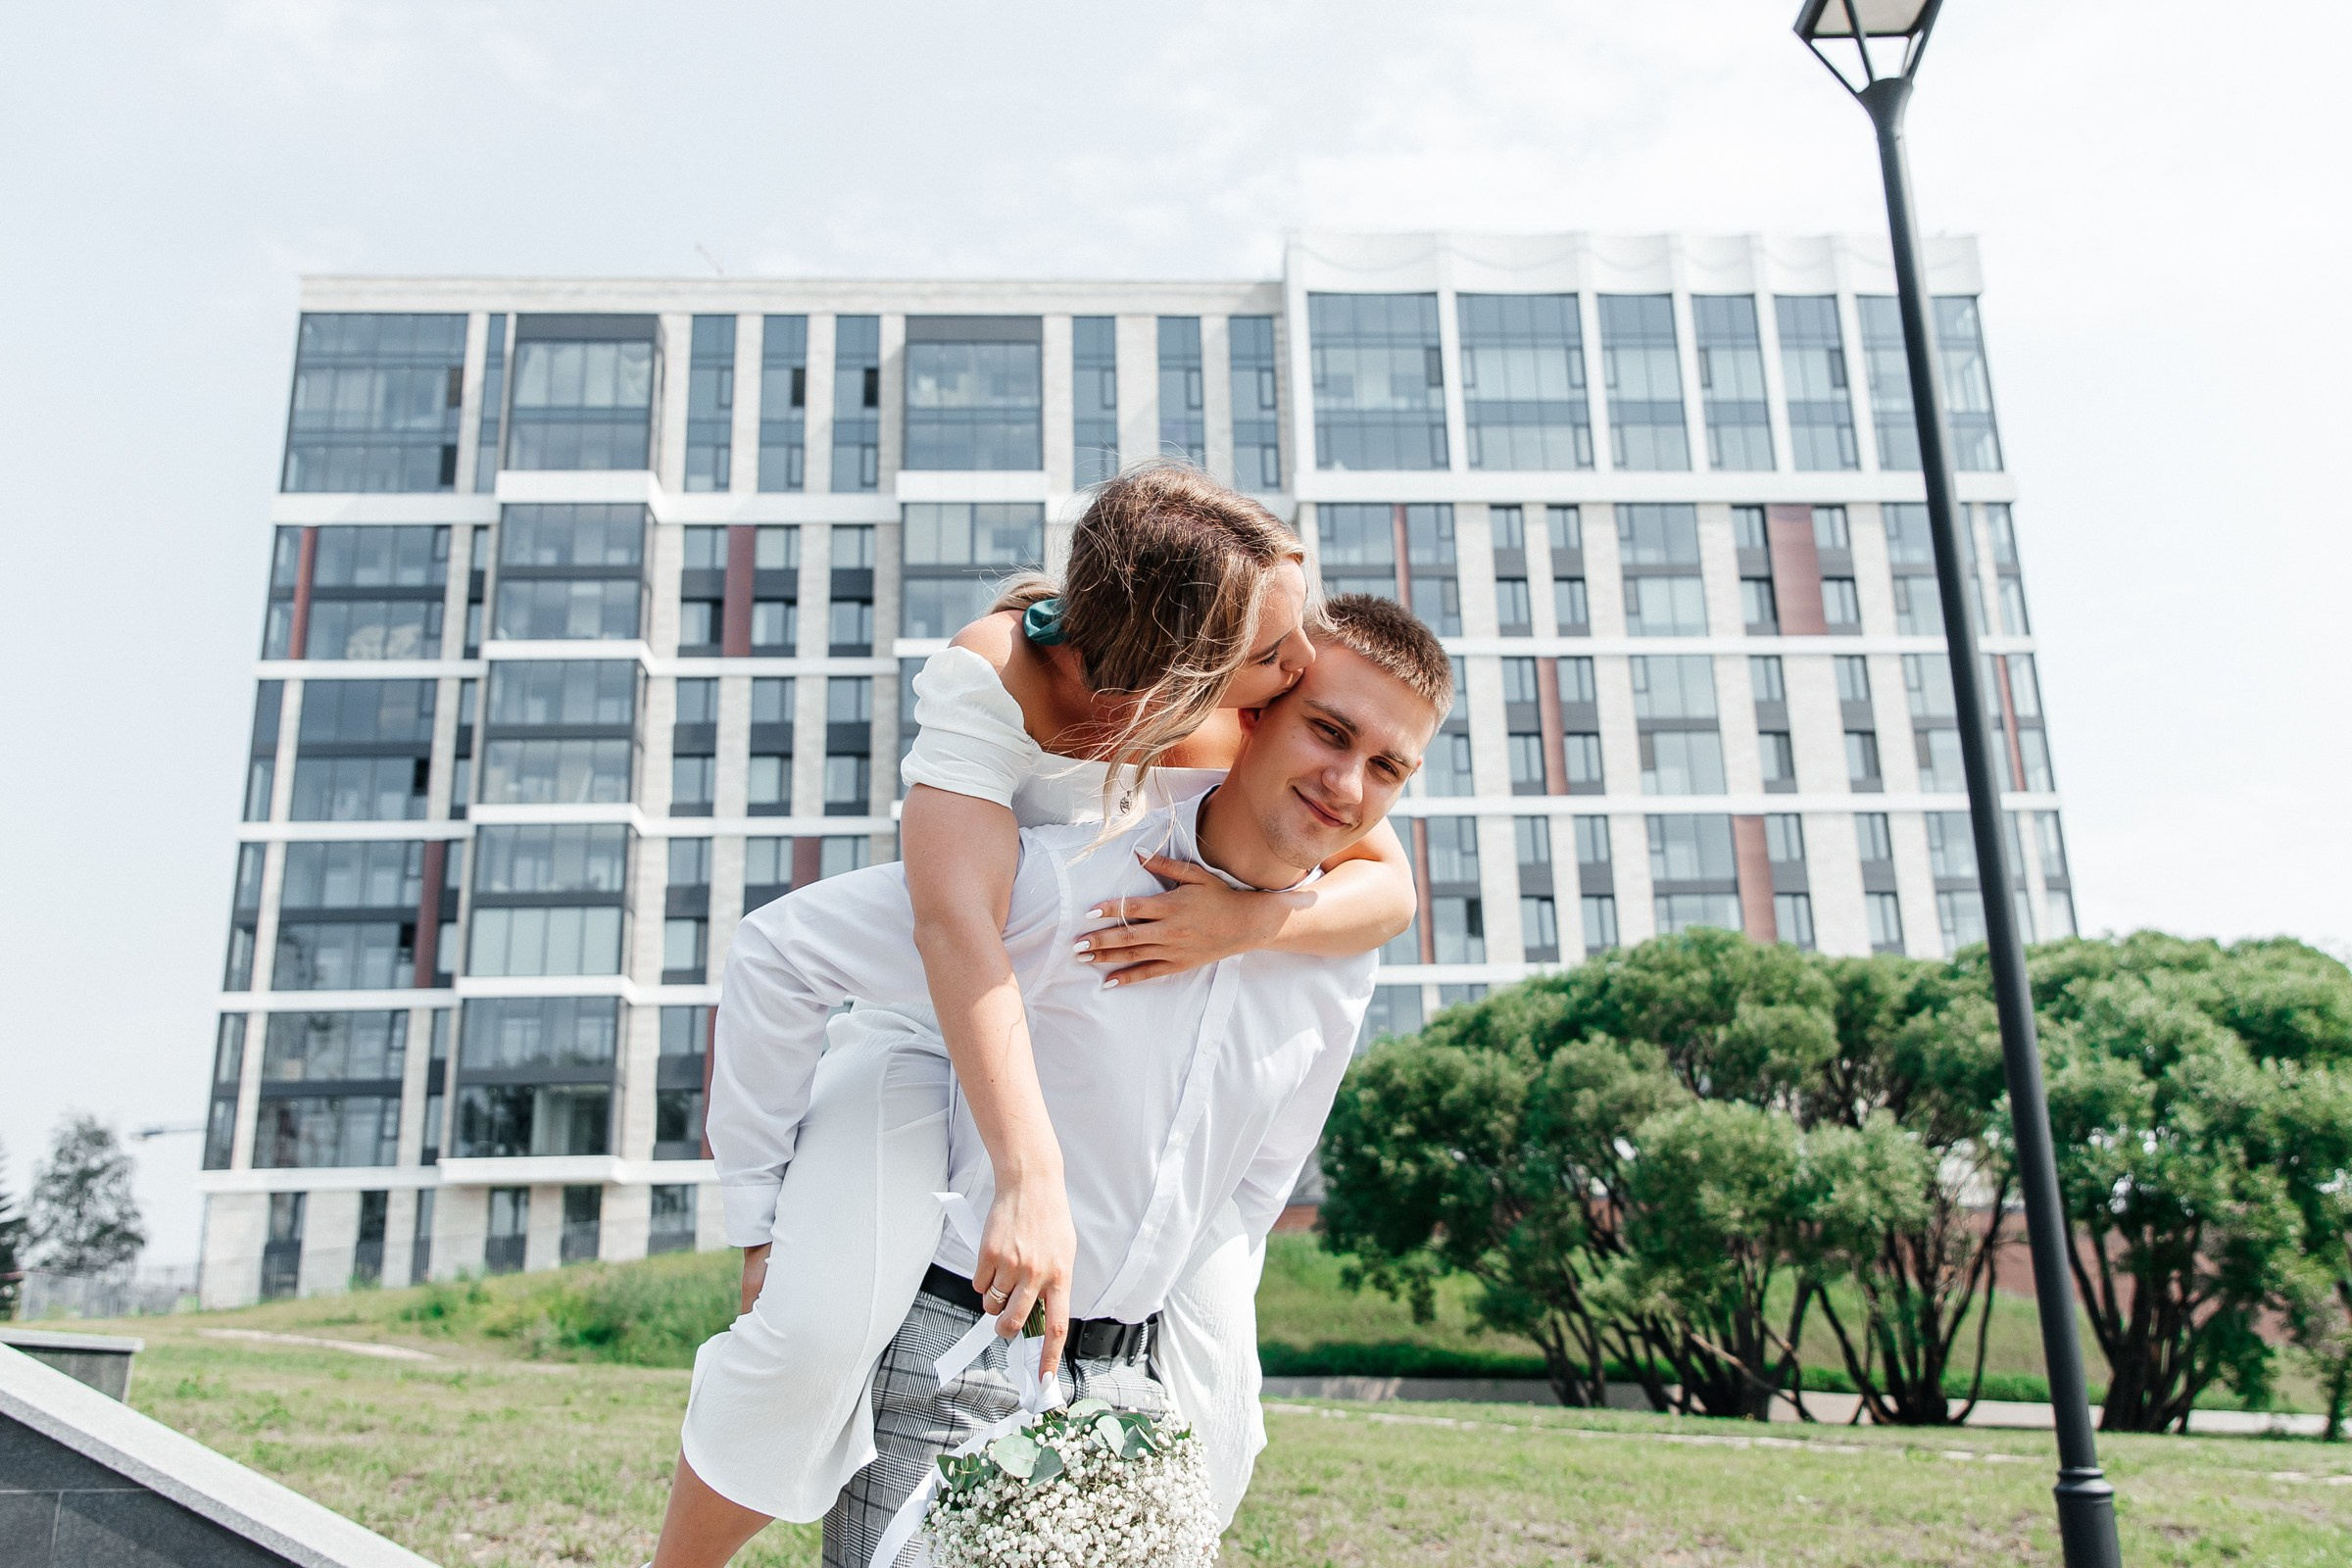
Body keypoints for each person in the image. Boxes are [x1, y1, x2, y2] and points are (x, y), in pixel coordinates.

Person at [652, 466, 1418, 1568]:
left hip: (1095, 1015)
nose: (1302, 669)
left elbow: (1385, 888)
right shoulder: (993, 682)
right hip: (935, 1023)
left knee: (1224, 1407)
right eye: (1273, 654)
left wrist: (1241, 926)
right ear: (1179, 669)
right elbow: (954, 935)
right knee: (813, 1333)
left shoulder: (1233, 718)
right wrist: (1010, 1174)